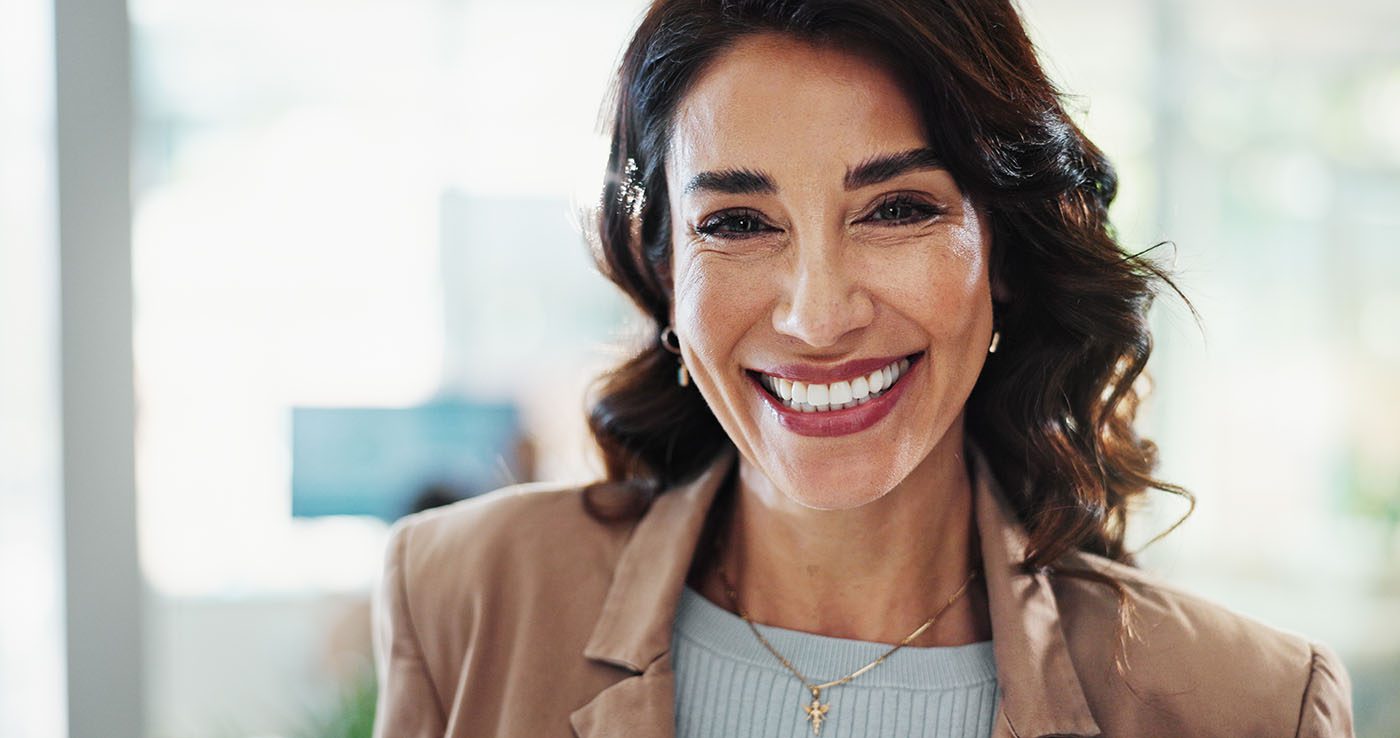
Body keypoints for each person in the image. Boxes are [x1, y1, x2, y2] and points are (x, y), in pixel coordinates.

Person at [370, 1, 1355, 736]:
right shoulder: (462, 598)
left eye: (897, 210)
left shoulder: (1251, 706)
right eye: (737, 223)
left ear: (1002, 255)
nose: (816, 316)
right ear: (666, 276)